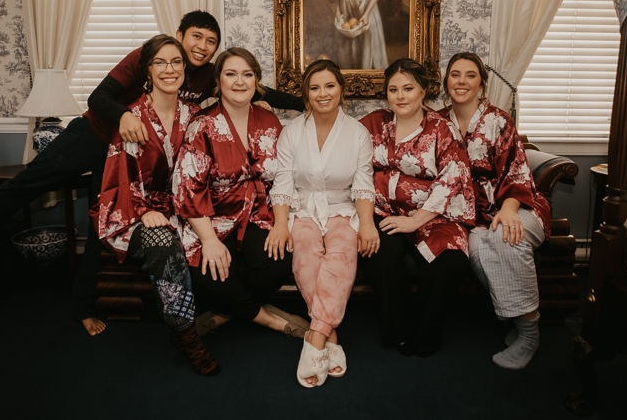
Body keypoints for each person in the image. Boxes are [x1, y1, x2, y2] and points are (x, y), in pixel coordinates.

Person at [0, 11, 303, 337]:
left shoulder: (204, 76)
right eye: (197, 37)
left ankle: (83, 304)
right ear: (181, 34)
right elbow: (98, 97)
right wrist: (123, 116)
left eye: (211, 41)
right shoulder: (150, 55)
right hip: (96, 136)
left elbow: (262, 90)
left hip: (135, 153)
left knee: (100, 216)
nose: (202, 46)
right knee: (26, 184)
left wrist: (313, 101)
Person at [92, 35, 218, 375]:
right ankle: (186, 334)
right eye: (160, 62)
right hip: (134, 213)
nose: (169, 69)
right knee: (163, 242)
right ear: (147, 70)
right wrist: (142, 209)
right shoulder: (132, 118)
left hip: (180, 209)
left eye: (176, 62)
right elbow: (120, 176)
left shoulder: (194, 115)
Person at [173, 47, 307, 344]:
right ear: (218, 81)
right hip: (212, 218)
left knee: (278, 261)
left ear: (257, 82)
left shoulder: (270, 122)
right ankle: (271, 320)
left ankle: (224, 315)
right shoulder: (202, 125)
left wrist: (282, 225)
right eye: (230, 74)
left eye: (247, 74)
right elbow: (188, 187)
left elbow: (283, 175)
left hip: (258, 213)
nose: (239, 81)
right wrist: (208, 241)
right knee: (207, 271)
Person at [267, 60, 376, 388]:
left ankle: (315, 336)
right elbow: (283, 183)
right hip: (302, 209)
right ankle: (331, 333)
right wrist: (280, 224)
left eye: (329, 85)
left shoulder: (358, 133)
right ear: (305, 94)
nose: (322, 93)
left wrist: (367, 224)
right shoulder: (291, 132)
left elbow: (363, 184)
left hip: (343, 208)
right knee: (307, 257)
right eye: (314, 87)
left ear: (341, 89)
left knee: (342, 254)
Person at [439, 52, 550, 370]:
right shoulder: (438, 124)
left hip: (520, 205)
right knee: (475, 250)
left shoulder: (498, 120)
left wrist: (511, 209)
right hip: (474, 217)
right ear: (447, 82)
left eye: (470, 75)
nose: (461, 81)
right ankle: (518, 321)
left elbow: (517, 171)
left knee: (505, 237)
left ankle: (529, 332)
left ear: (482, 84)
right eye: (455, 74)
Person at [359, 58, 475, 357]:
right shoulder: (374, 123)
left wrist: (416, 221)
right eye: (393, 89)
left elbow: (453, 177)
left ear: (423, 91)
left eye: (408, 88)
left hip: (436, 215)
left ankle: (425, 335)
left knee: (450, 262)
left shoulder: (442, 128)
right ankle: (395, 332)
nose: (400, 96)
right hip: (384, 211)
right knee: (379, 255)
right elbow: (334, 129)